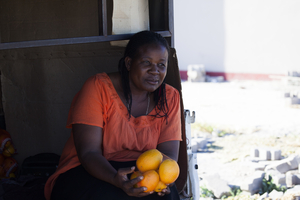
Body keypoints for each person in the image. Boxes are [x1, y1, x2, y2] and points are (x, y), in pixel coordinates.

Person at [44, 30, 182, 200]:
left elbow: (168, 155)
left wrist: (162, 181)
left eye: (161, 64)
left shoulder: (170, 97)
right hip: (90, 168)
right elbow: (89, 152)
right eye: (146, 62)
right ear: (129, 63)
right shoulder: (98, 87)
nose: (155, 71)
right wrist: (116, 180)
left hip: (140, 171)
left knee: (167, 196)